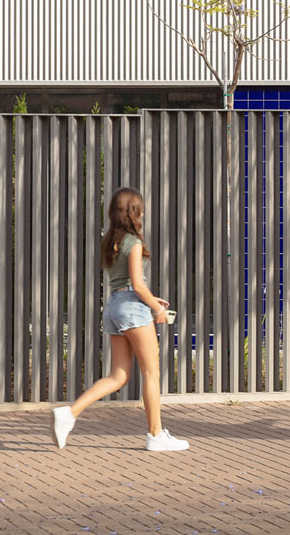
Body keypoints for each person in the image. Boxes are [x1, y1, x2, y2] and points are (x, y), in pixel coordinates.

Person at [50, 187, 189, 452]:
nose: (144, 212)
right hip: (133, 308)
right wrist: (156, 308)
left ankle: (69, 413)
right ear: (134, 212)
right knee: (151, 372)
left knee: (118, 376)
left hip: (114, 305)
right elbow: (137, 284)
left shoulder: (111, 240)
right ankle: (156, 435)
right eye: (141, 208)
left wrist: (151, 299)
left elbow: (127, 284)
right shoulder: (134, 243)